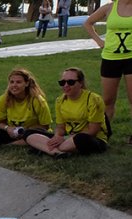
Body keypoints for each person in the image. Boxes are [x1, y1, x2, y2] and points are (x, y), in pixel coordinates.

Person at [25, 67, 110, 157]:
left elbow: (93, 131)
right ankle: (57, 152)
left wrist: (64, 138)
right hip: (68, 138)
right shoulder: (60, 100)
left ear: (81, 83)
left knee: (80, 139)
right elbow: (61, 127)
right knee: (29, 132)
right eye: (62, 83)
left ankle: (46, 149)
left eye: (70, 82)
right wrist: (57, 136)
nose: (65, 85)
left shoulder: (94, 99)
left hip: (91, 139)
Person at [84, 0, 132, 146]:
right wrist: (99, 41)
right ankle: (103, 132)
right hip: (111, 58)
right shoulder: (110, 7)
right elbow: (88, 23)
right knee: (108, 100)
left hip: (131, 58)